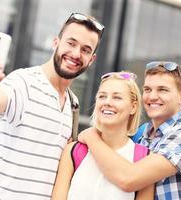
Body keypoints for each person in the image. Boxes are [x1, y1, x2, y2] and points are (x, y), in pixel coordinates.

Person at [0, 12, 104, 199]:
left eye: (85, 49)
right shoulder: (23, 82)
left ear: (91, 59)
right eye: (71, 43)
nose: (76, 54)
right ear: (56, 42)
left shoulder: (73, 103)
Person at [78, 62, 181, 199]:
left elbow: (129, 179)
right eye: (148, 89)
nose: (152, 96)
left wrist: (91, 136)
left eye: (162, 90)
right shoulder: (141, 135)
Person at [52, 71, 154, 200]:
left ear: (133, 107)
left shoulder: (144, 159)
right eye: (102, 96)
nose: (107, 102)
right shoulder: (74, 151)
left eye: (117, 97)